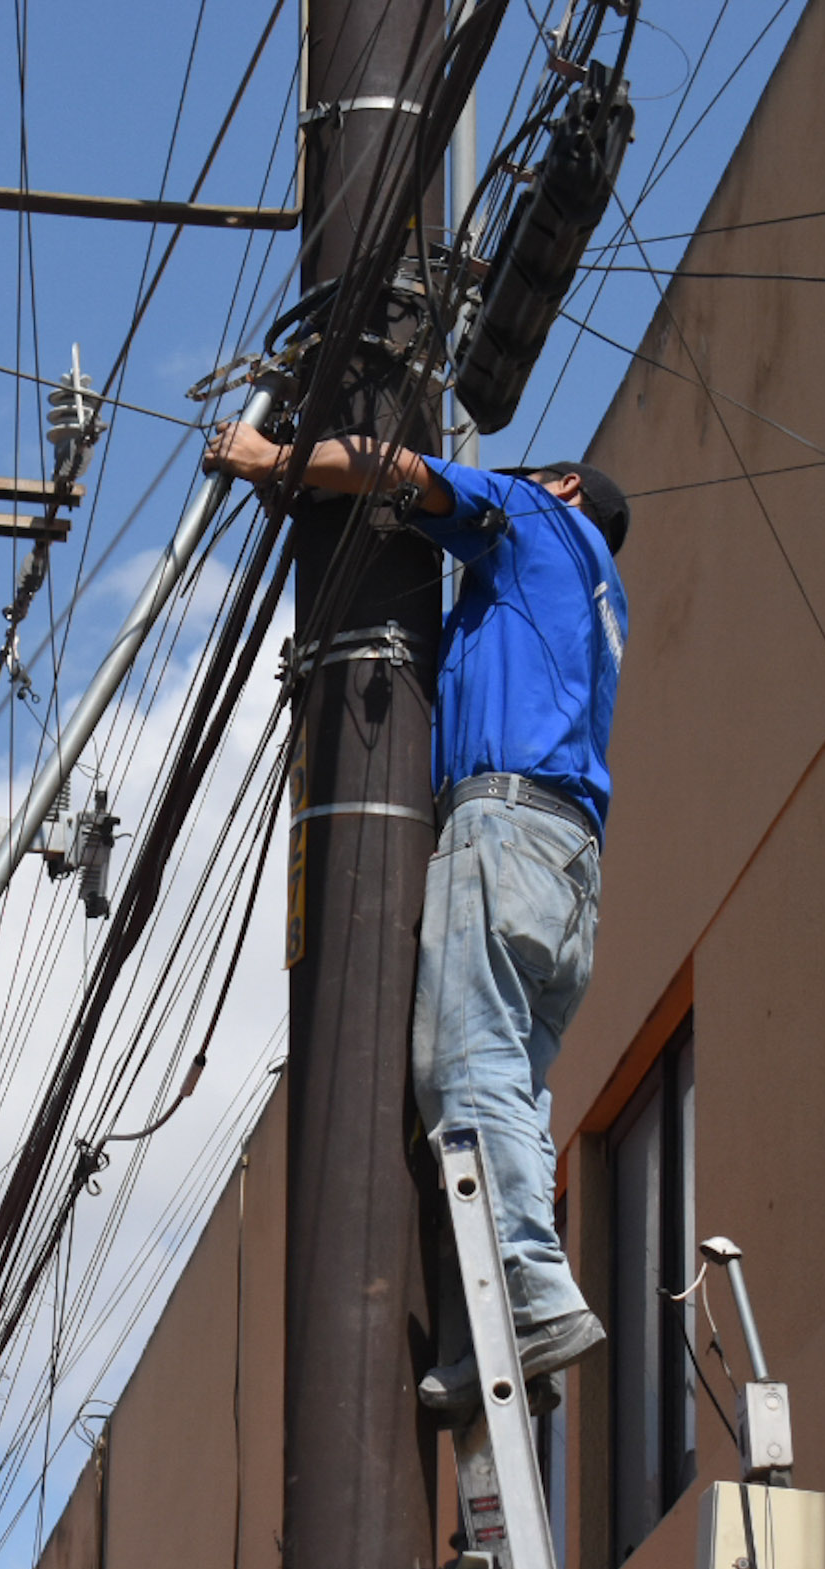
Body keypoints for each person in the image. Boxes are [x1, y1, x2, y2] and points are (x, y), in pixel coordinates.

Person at [202, 425, 630, 1398]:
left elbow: (398, 466)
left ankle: (534, 1288)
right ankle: (502, 1329)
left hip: (507, 827)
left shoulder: (541, 523)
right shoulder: (593, 598)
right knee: (507, 1084)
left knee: (464, 1064)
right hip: (568, 864)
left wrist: (271, 457)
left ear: (562, 486)